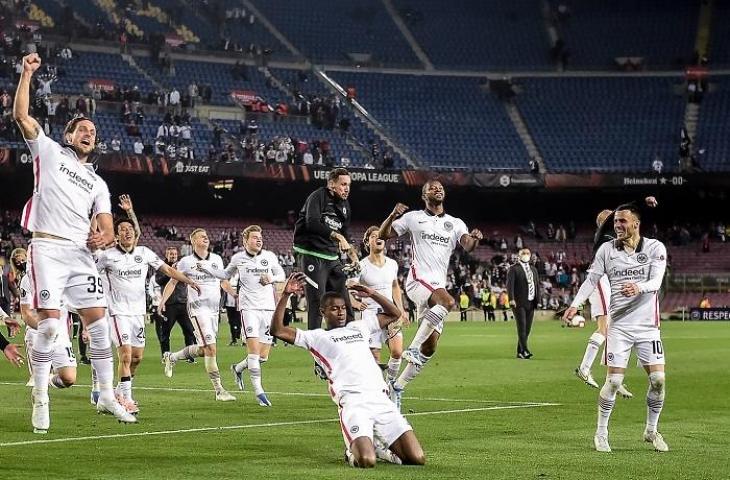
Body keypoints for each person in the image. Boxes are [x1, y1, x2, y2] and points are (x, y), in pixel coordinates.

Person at [14, 52, 136, 432]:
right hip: (48, 247)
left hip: (81, 254)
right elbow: (21, 116)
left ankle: (104, 396)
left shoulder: (99, 183)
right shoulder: (49, 151)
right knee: (49, 327)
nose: (89, 133)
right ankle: (40, 396)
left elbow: (106, 225)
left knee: (98, 324)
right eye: (82, 128)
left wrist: (105, 236)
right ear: (69, 136)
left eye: (94, 131)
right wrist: (26, 74)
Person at [270, 273, 426, 468]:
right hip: (354, 403)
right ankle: (352, 452)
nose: (341, 312)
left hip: (380, 399)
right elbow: (277, 330)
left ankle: (381, 451)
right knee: (366, 461)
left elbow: (395, 314)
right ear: (322, 312)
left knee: (417, 458)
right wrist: (285, 295)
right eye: (335, 309)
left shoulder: (359, 327)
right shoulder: (317, 337)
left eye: (343, 308)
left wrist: (371, 293)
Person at [564, 204, 669, 453]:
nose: (618, 226)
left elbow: (656, 281)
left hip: (648, 327)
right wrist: (575, 305)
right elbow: (591, 280)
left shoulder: (655, 247)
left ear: (636, 223)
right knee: (613, 381)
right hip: (619, 326)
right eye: (615, 223)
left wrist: (639, 287)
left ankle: (651, 431)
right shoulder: (606, 250)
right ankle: (601, 433)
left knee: (658, 380)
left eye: (623, 221)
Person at [378, 180, 482, 409]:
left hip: (437, 286)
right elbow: (384, 235)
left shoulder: (454, 223)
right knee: (448, 301)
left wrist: (475, 238)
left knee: (431, 347)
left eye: (440, 187)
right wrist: (392, 215)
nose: (438, 189)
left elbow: (468, 245)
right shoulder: (413, 218)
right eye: (432, 187)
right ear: (423, 194)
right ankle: (412, 347)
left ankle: (396, 387)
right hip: (418, 282)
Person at [95, 216, 200, 413]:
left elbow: (168, 269)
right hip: (117, 313)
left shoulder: (144, 253)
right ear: (117, 235)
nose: (127, 231)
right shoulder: (106, 256)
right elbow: (89, 274)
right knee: (125, 355)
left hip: (137, 314)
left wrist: (189, 281)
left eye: (130, 229)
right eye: (123, 229)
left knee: (136, 358)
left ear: (135, 233)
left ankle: (114, 394)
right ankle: (126, 399)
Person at [574, 197, 657, 392]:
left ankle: (614, 379)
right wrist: (643, 202)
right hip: (601, 281)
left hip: (609, 283)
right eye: (613, 219)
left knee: (613, 330)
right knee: (604, 328)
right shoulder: (603, 237)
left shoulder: (616, 240)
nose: (617, 223)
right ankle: (585, 368)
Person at [201, 225, 285, 407]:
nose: (259, 240)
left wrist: (271, 279)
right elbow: (224, 274)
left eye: (260, 237)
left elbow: (281, 274)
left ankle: (237, 369)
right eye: (254, 237)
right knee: (254, 353)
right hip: (249, 309)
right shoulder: (238, 258)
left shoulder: (269, 257)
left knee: (263, 357)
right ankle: (259, 392)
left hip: (268, 309)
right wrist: (207, 268)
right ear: (245, 241)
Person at [161, 229, 236, 402]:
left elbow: (223, 281)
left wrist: (234, 294)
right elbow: (173, 281)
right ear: (193, 241)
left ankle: (171, 357)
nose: (206, 238)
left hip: (214, 310)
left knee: (204, 350)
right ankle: (219, 390)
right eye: (202, 236)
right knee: (211, 348)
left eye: (207, 236)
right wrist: (162, 301)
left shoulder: (216, 259)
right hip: (197, 309)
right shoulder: (186, 262)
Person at [293, 168, 358, 333]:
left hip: (332, 257)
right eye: (343, 184)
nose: (347, 188)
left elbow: (345, 233)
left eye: (348, 185)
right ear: (331, 184)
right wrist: (338, 237)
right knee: (317, 303)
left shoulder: (345, 206)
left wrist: (352, 254)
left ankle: (350, 347)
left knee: (344, 304)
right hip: (311, 255)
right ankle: (317, 357)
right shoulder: (318, 196)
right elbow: (312, 222)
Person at [350, 226, 407, 385]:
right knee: (374, 357)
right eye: (373, 236)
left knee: (397, 352)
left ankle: (390, 385)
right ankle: (376, 390)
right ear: (367, 242)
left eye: (380, 235)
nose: (378, 238)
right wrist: (355, 300)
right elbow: (351, 285)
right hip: (371, 316)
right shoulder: (361, 265)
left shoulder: (392, 264)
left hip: (390, 314)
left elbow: (395, 286)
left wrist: (401, 309)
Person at [19, 271, 76, 390]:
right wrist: (43, 329)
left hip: (61, 335)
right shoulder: (28, 279)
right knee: (38, 380)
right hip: (37, 332)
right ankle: (40, 396)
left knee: (69, 379)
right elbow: (26, 314)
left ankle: (47, 379)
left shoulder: (67, 274)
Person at [155, 246, 197, 356]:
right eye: (171, 254)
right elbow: (159, 281)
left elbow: (189, 280)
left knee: (189, 330)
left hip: (183, 303)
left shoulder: (182, 267)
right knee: (165, 331)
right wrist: (171, 272)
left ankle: (189, 354)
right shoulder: (161, 268)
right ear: (166, 255)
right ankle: (166, 354)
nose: (173, 256)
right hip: (169, 305)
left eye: (175, 254)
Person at [506, 248, 539, 359]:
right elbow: (510, 285)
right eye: (523, 253)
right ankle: (525, 350)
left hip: (531, 302)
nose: (526, 255)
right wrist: (511, 298)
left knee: (528, 328)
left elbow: (537, 285)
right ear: (519, 256)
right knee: (522, 327)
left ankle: (520, 351)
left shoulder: (533, 269)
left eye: (527, 253)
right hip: (519, 302)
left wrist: (537, 300)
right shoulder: (514, 269)